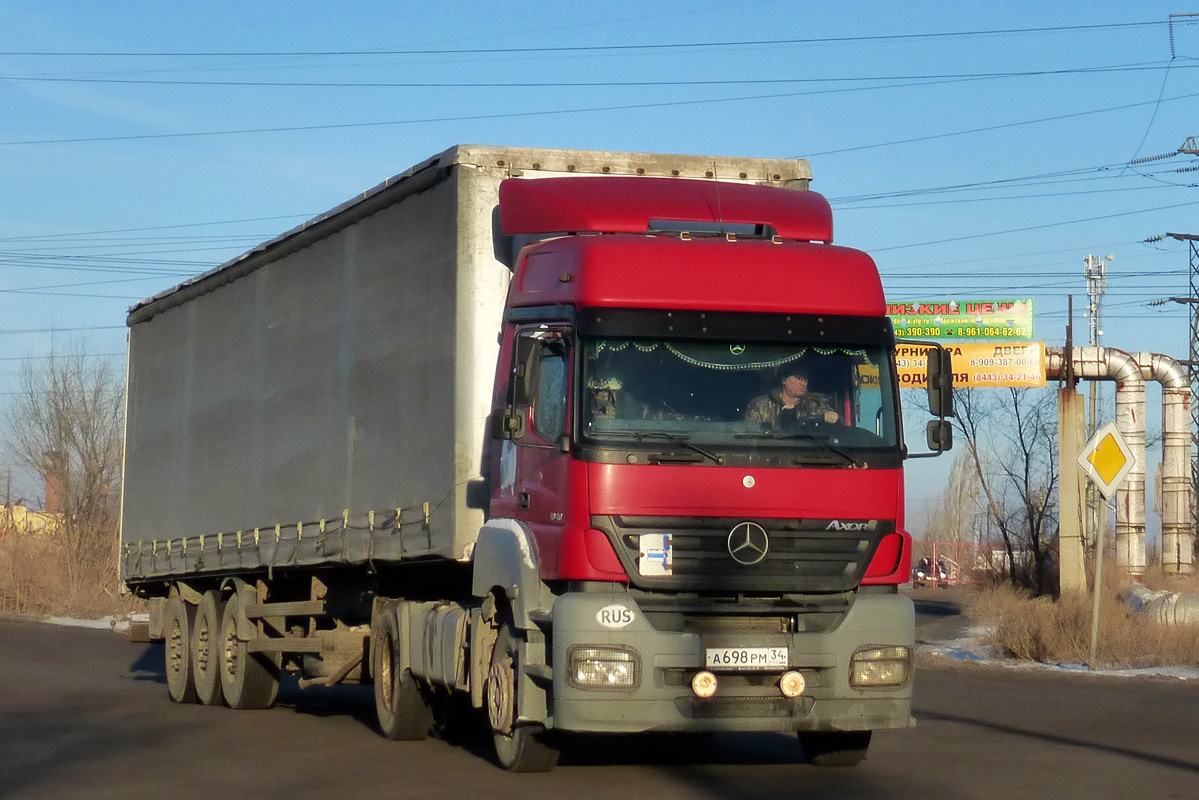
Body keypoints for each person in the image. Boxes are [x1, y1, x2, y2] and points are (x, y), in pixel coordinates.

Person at [744, 365, 839, 426]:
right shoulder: (760, 406)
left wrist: (830, 415)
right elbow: (751, 435)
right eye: (798, 378)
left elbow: (826, 414)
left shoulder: (816, 403)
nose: (803, 383)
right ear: (784, 380)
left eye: (805, 380)